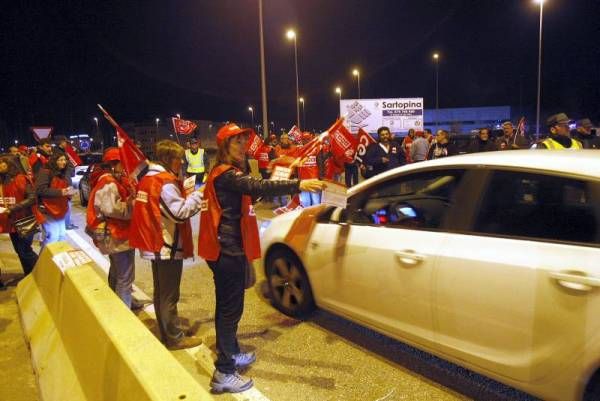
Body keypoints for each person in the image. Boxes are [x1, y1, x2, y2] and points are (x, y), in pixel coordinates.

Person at [199, 123, 325, 393]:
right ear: (224, 147)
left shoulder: (229, 174)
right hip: (227, 249)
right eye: (237, 142)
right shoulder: (225, 173)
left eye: (244, 141)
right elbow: (259, 186)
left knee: (230, 308)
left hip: (229, 247)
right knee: (229, 310)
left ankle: (231, 353)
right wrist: (298, 183)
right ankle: (224, 372)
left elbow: (251, 192)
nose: (243, 145)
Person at [129, 140, 203, 350]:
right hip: (166, 245)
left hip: (154, 243)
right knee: (169, 295)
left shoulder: (148, 179)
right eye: (179, 159)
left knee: (161, 292)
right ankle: (175, 338)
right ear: (168, 159)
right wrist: (198, 195)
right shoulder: (164, 182)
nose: (182, 163)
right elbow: (178, 214)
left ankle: (167, 332)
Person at [86, 148, 136, 308]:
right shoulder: (109, 183)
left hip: (114, 234)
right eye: (123, 163)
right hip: (117, 235)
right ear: (115, 164)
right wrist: (132, 206)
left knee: (117, 272)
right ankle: (124, 312)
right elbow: (111, 209)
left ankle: (117, 303)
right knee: (125, 277)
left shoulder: (107, 180)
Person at [0, 155, 38, 280]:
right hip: (11, 223)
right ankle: (29, 276)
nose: (0, 166)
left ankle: (42, 272)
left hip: (24, 220)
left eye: (3, 164)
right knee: (19, 252)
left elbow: (32, 198)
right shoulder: (3, 180)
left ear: (9, 165)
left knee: (25, 251)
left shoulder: (21, 178)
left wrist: (13, 208)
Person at [34, 153, 75, 248]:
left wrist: (69, 193)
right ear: (54, 161)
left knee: (61, 236)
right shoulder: (45, 172)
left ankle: (56, 260)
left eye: (65, 160)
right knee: (52, 236)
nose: (63, 162)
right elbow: (40, 190)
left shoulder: (63, 173)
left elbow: (65, 188)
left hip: (60, 208)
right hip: (47, 209)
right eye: (60, 160)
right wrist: (61, 192)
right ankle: (44, 260)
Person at [53, 135, 78, 230]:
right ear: (60, 142)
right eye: (65, 142)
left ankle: (67, 223)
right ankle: (67, 224)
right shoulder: (58, 153)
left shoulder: (61, 152)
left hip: (67, 180)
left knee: (68, 202)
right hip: (65, 181)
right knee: (67, 202)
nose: (66, 144)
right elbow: (65, 169)